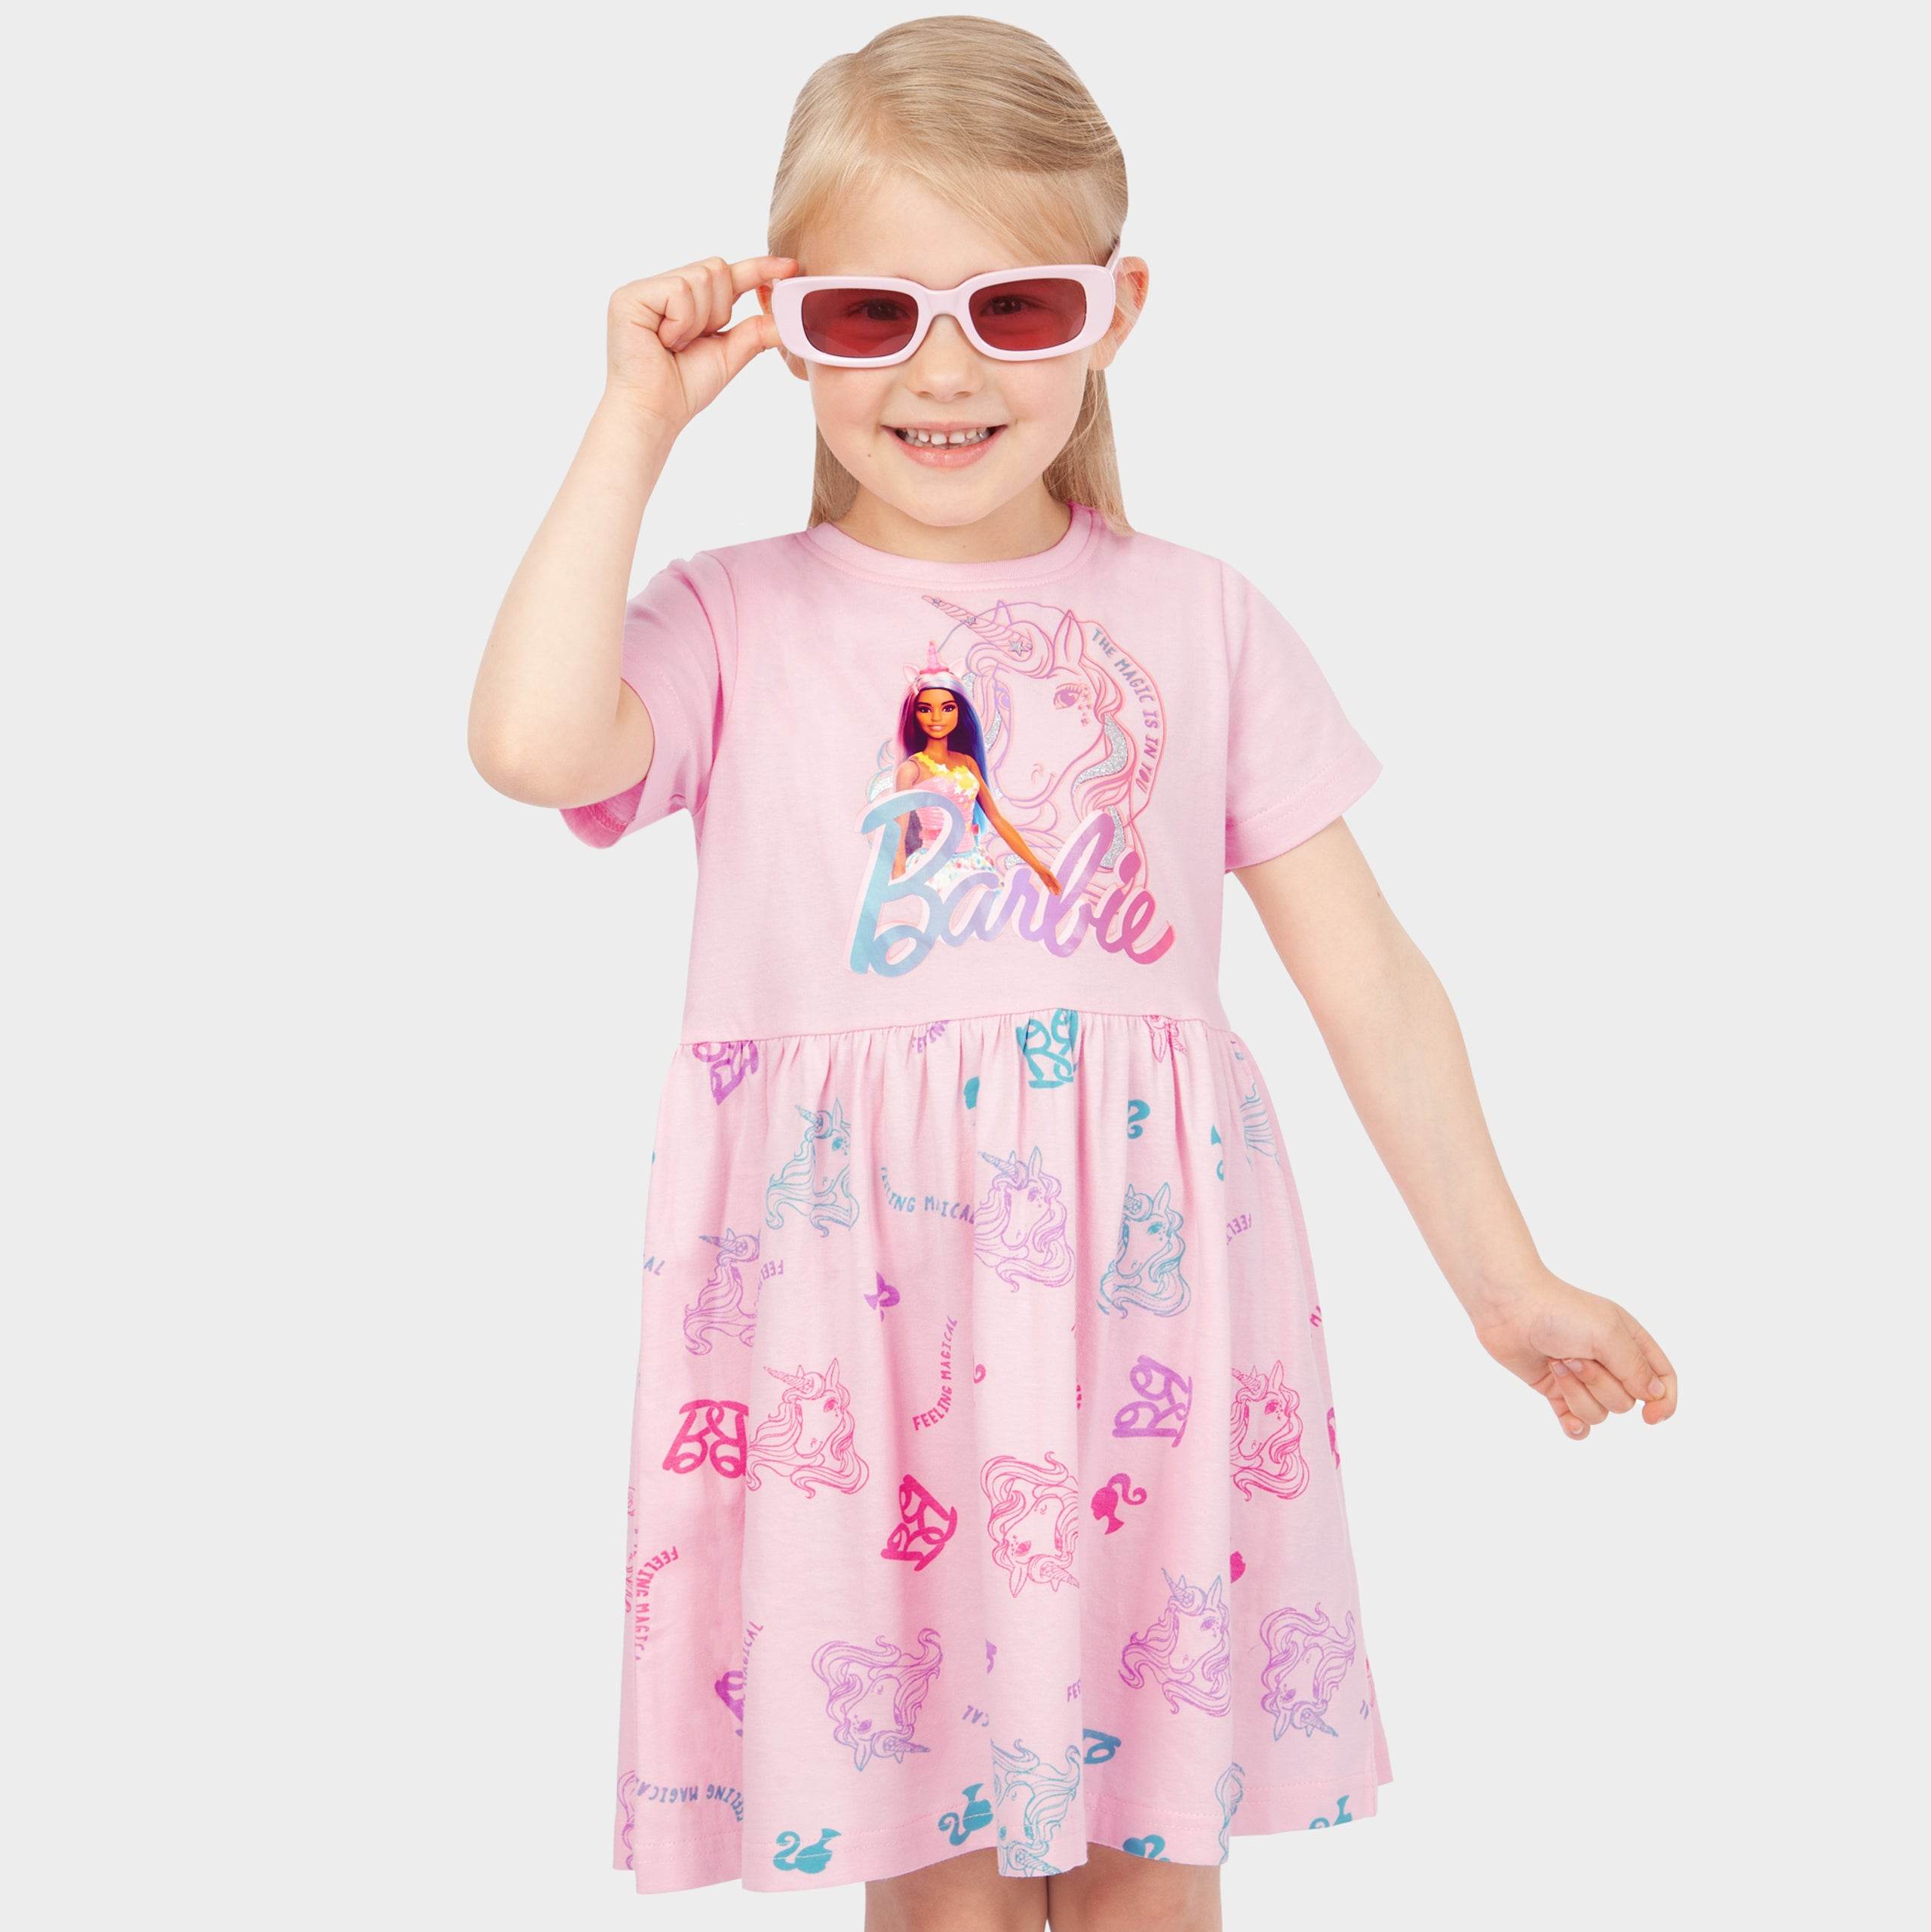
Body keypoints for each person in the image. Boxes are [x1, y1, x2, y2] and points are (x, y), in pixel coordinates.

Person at [466, 17, 1680, 1927]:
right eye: (870, 315)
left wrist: (1502, 1279)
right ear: (787, 324)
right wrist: (634, 417)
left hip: (1144, 1334)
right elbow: (535, 745)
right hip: (856, 1348)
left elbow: (1368, 981)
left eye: (1013, 307)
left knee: (1146, 1875)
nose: (943, 372)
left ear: (1113, 312)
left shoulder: (1196, 617)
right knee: (935, 1886)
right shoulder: (731, 619)